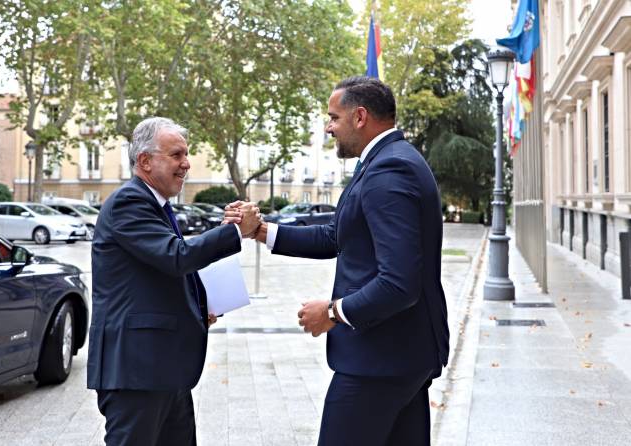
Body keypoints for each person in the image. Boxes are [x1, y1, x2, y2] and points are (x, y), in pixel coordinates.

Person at [226, 76, 449, 445]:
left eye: (333, 118)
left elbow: (399, 284)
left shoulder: (388, 171)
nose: (328, 128)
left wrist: (333, 312)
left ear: (359, 117)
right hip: (399, 356)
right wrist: (261, 230)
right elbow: (336, 235)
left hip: (380, 360)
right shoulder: (385, 162)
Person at [87, 117, 261, 446]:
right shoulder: (129, 202)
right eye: (177, 155)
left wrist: (198, 307)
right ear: (145, 161)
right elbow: (176, 256)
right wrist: (235, 231)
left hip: (164, 367)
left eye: (187, 154)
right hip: (136, 371)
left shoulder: (156, 205)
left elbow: (163, 271)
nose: (187, 163)